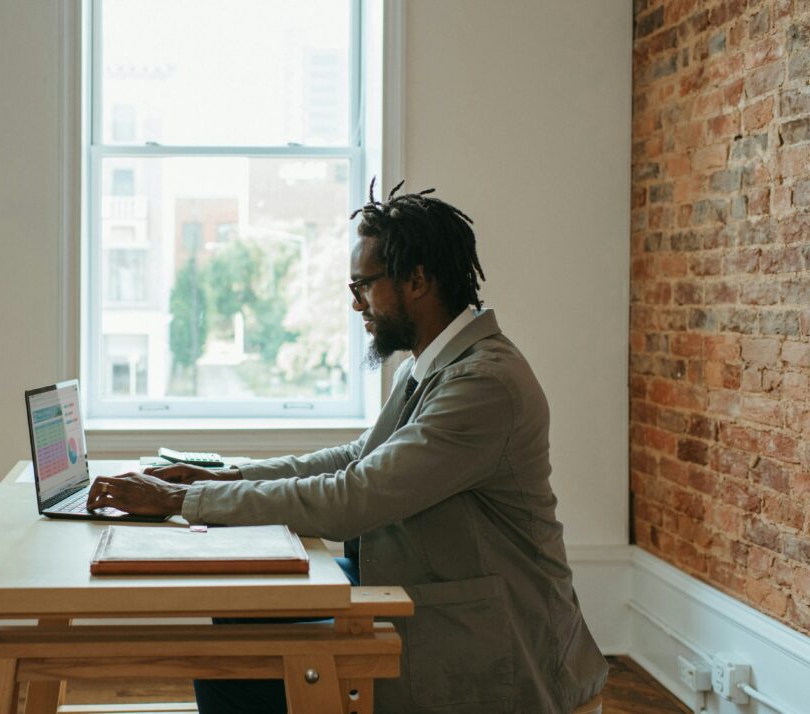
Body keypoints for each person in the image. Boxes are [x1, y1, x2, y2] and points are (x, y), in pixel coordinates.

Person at [87, 180, 608, 713]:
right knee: (236, 629)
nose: (357, 303)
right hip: (422, 591)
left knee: (235, 660)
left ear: (418, 280)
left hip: (496, 642)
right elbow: (355, 459)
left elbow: (353, 497)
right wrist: (224, 479)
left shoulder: (484, 385)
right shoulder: (430, 367)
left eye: (364, 285)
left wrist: (180, 503)